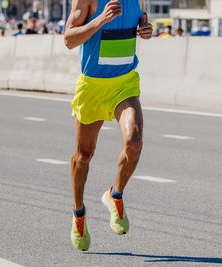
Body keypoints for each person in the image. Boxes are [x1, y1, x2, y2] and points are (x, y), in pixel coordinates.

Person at [63, 0, 152, 251]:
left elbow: (143, 20)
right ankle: (78, 214)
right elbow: (68, 39)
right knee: (84, 155)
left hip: (124, 84)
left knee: (134, 143)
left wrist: (146, 29)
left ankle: (115, 195)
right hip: (92, 87)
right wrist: (99, 20)